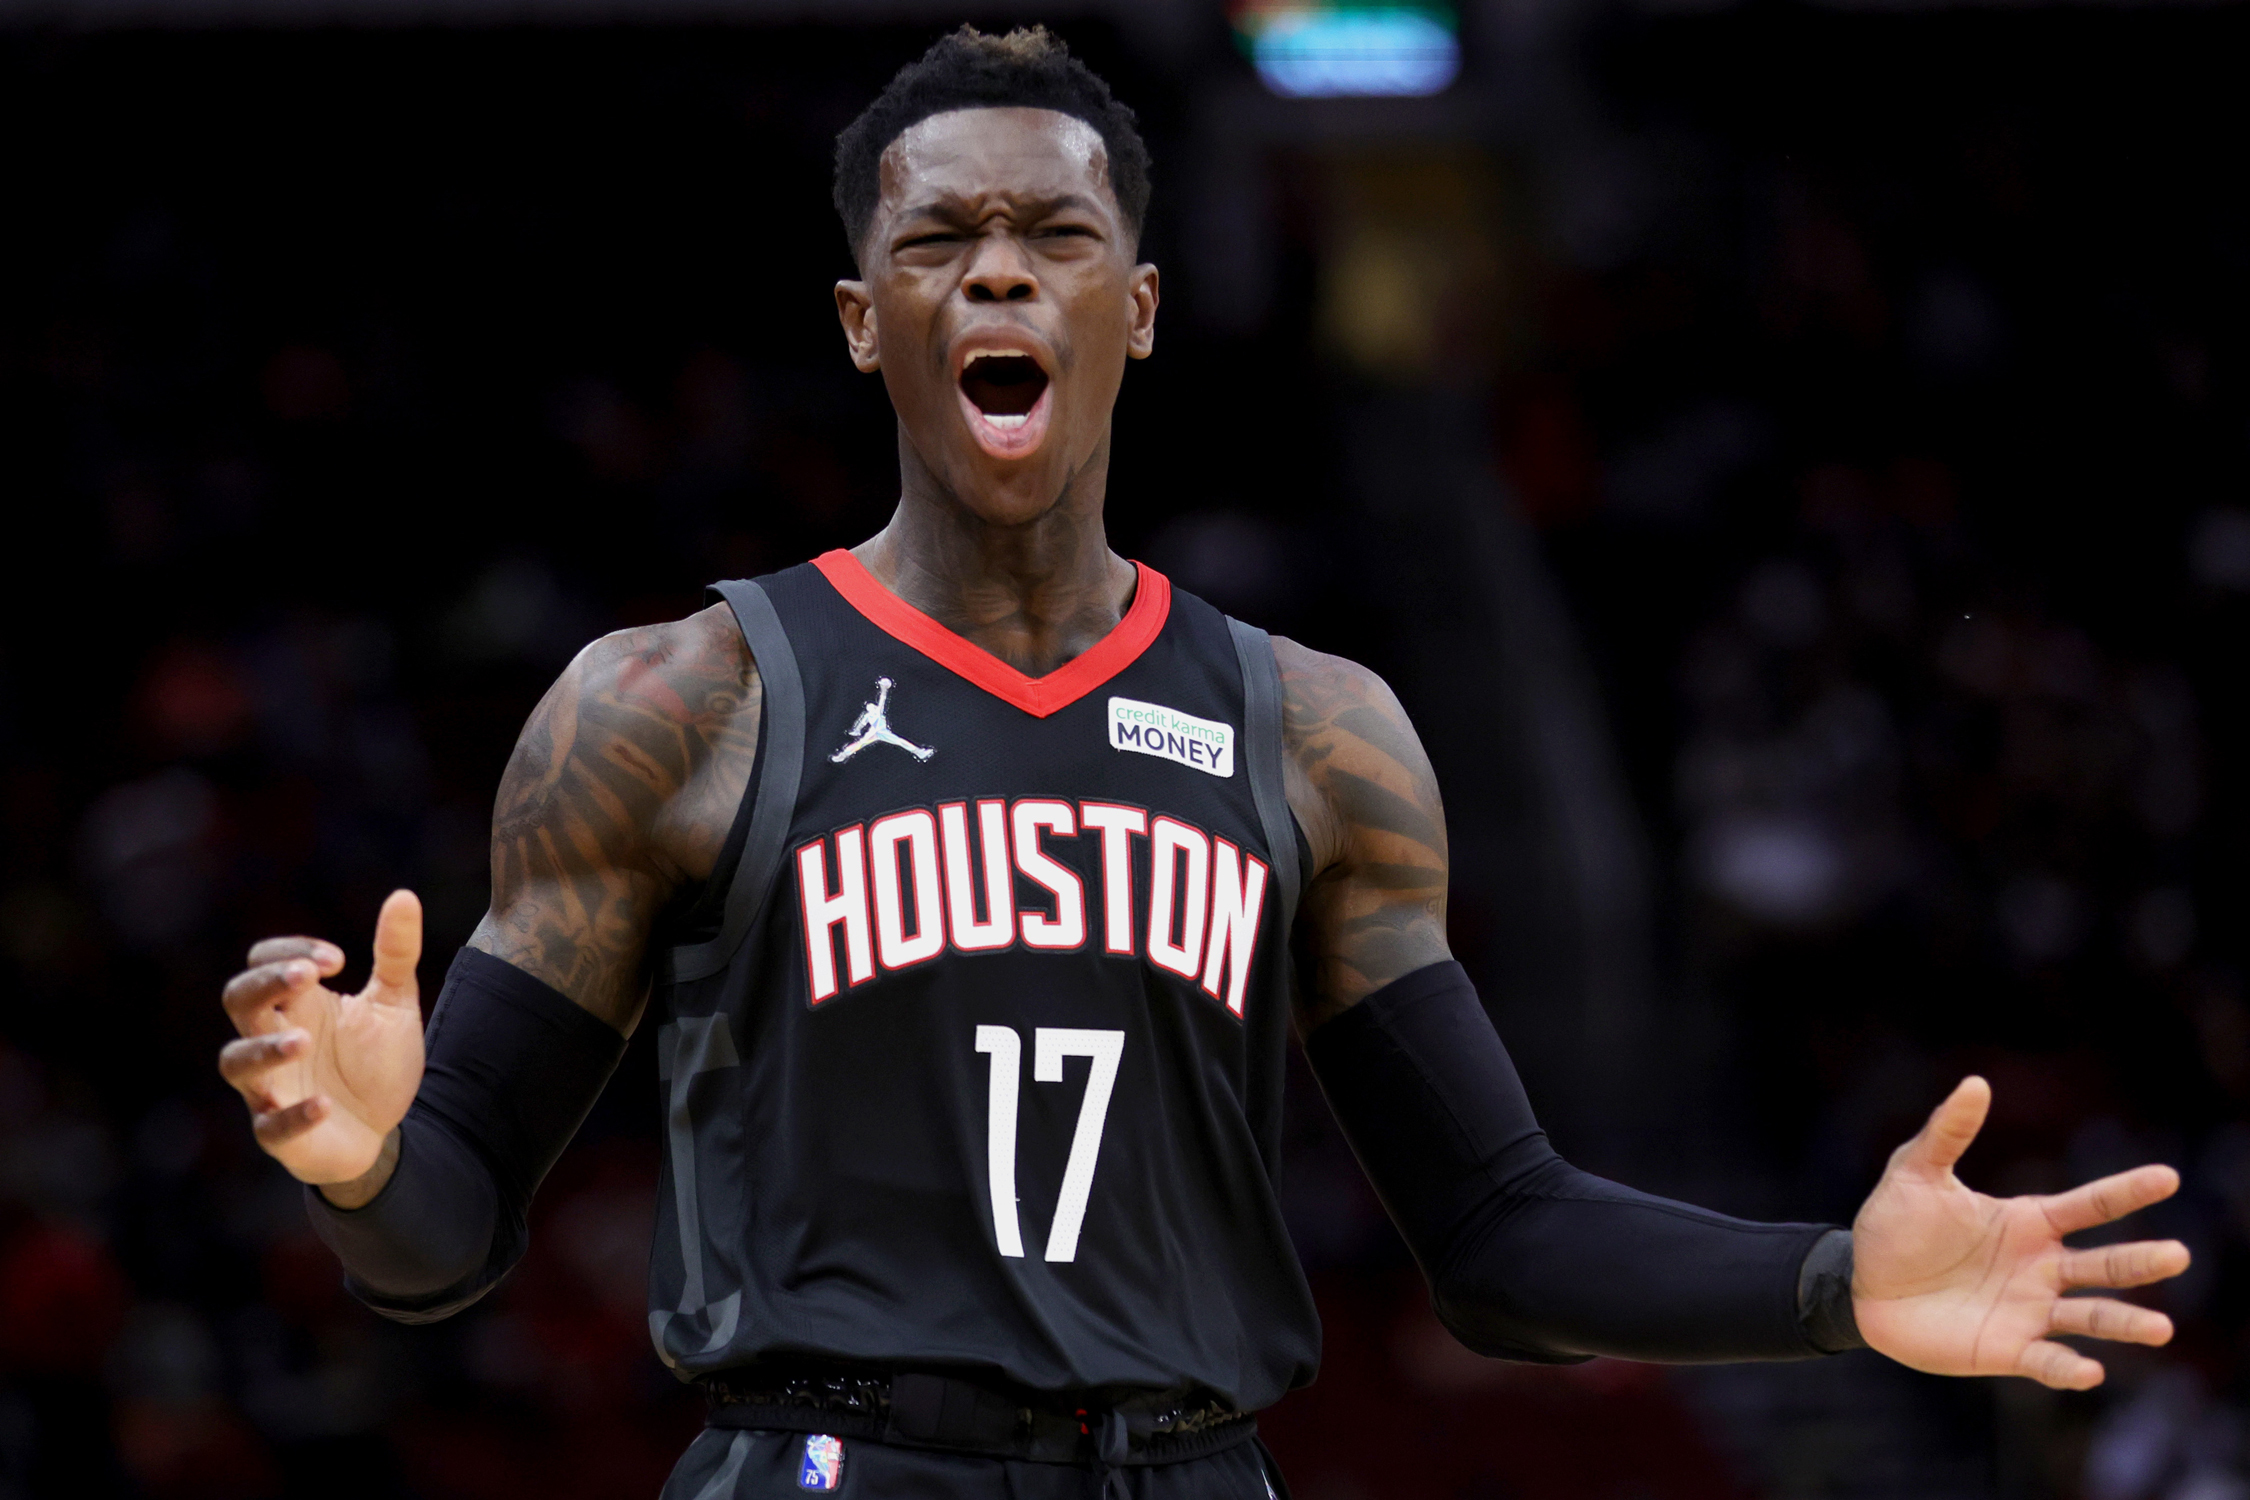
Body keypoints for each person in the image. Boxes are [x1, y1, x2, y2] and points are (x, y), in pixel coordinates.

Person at [215, 26, 2190, 1499]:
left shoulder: (1316, 731)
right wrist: (363, 1159)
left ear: (1138, 308)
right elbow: (442, 1242)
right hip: (828, 1464)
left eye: (1055, 234)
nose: (999, 273)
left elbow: (1497, 1235)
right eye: (940, 239)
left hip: (1191, 1468)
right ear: (862, 318)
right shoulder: (677, 700)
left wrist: (1834, 1284)